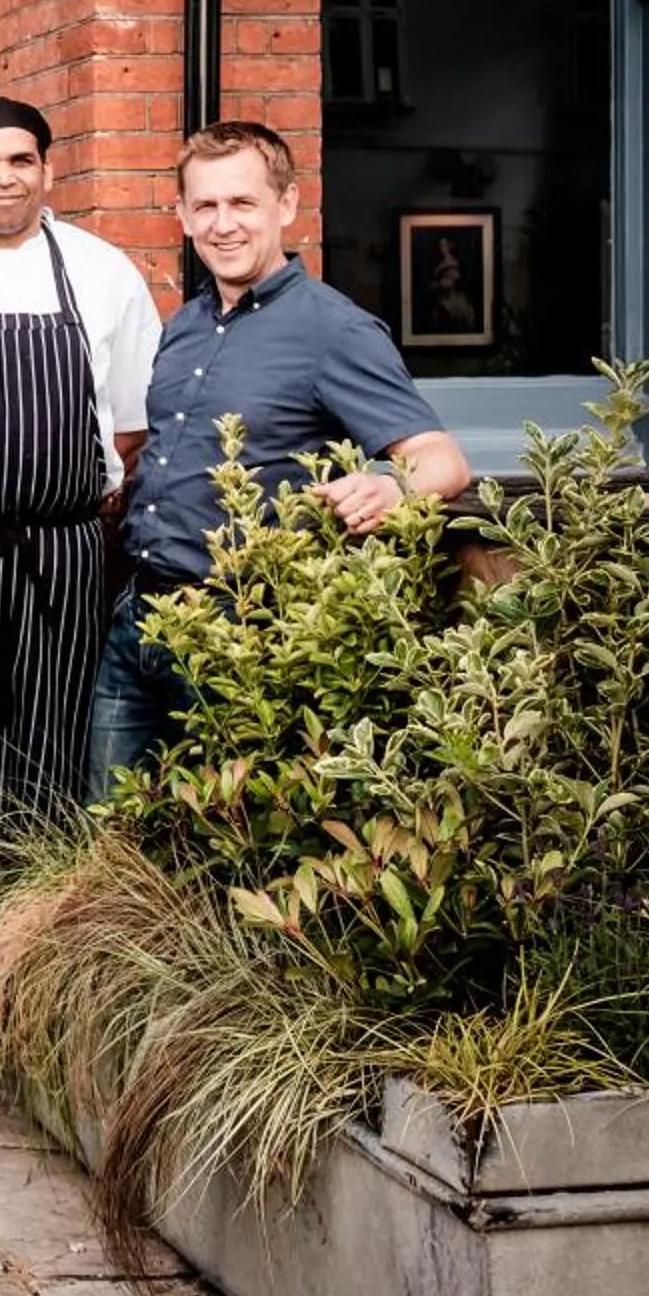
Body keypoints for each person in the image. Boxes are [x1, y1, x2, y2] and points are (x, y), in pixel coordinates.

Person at [89, 122, 471, 795]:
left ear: (286, 205)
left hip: (243, 634)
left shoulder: (335, 330)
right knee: (110, 831)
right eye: (205, 206)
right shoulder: (185, 326)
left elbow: (441, 458)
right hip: (137, 621)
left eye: (242, 203)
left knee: (230, 839)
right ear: (182, 215)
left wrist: (390, 486)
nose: (223, 224)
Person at [0, 97, 158, 840]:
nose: (4, 177)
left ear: (47, 170)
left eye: (20, 160)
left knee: (58, 731)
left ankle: (47, 899)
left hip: (68, 549)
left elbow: (133, 425)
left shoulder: (102, 272)